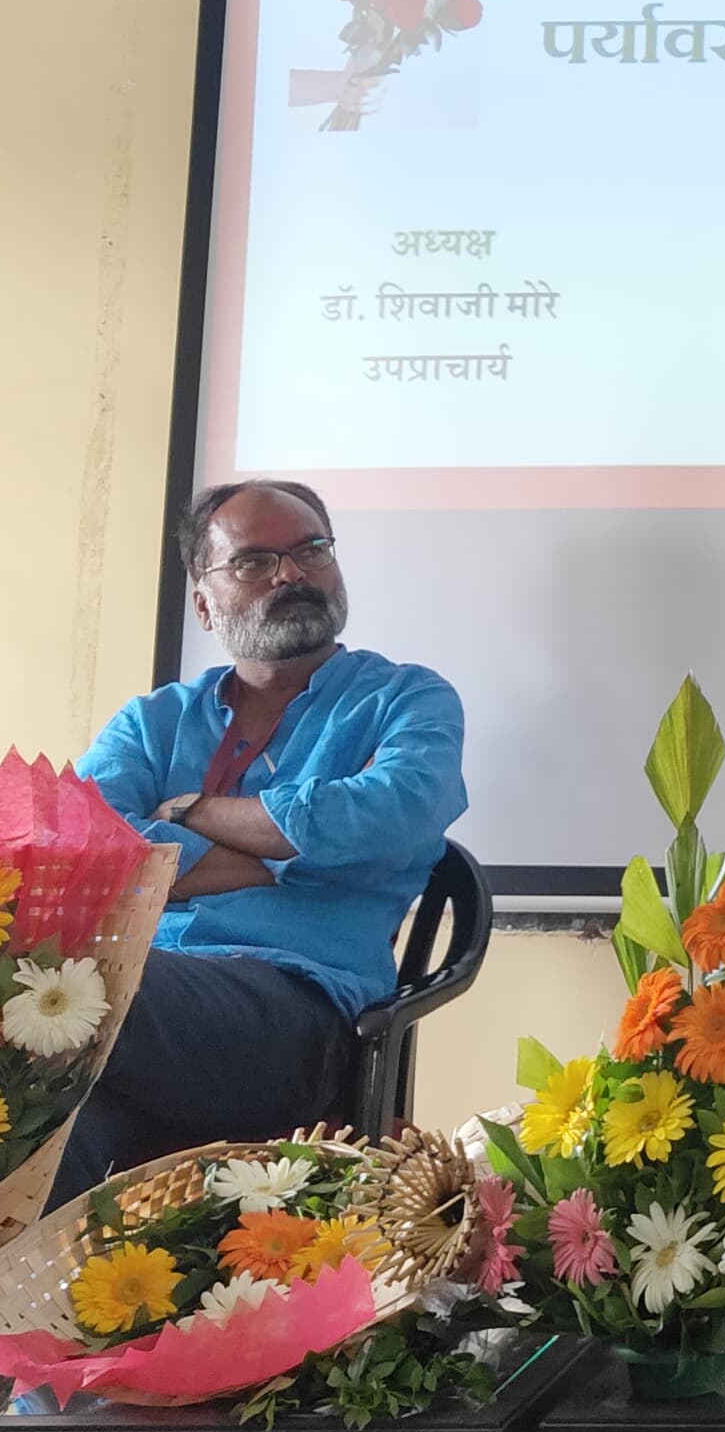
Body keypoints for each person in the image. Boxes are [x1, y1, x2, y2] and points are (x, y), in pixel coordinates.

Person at [62, 478, 467, 1199]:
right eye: (253, 561)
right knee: (14, 1123)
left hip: (297, 1015)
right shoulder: (152, 723)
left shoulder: (405, 699)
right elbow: (89, 845)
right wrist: (274, 860)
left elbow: (390, 812)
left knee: (62, 991)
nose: (291, 575)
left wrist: (191, 811)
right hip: (138, 1020)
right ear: (202, 599)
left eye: (311, 550)